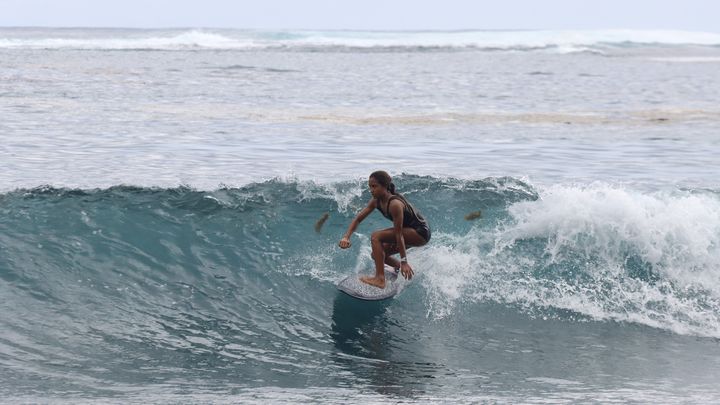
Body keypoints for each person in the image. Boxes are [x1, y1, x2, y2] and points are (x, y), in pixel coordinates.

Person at [338, 171, 431, 289]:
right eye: (370, 187)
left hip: (420, 233)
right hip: (408, 231)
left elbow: (399, 235)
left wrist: (404, 261)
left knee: (376, 236)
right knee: (377, 255)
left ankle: (380, 279)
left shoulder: (395, 204)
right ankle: (398, 267)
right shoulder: (376, 201)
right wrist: (346, 236)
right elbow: (358, 219)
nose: (371, 190)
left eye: (374, 186)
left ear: (385, 186)